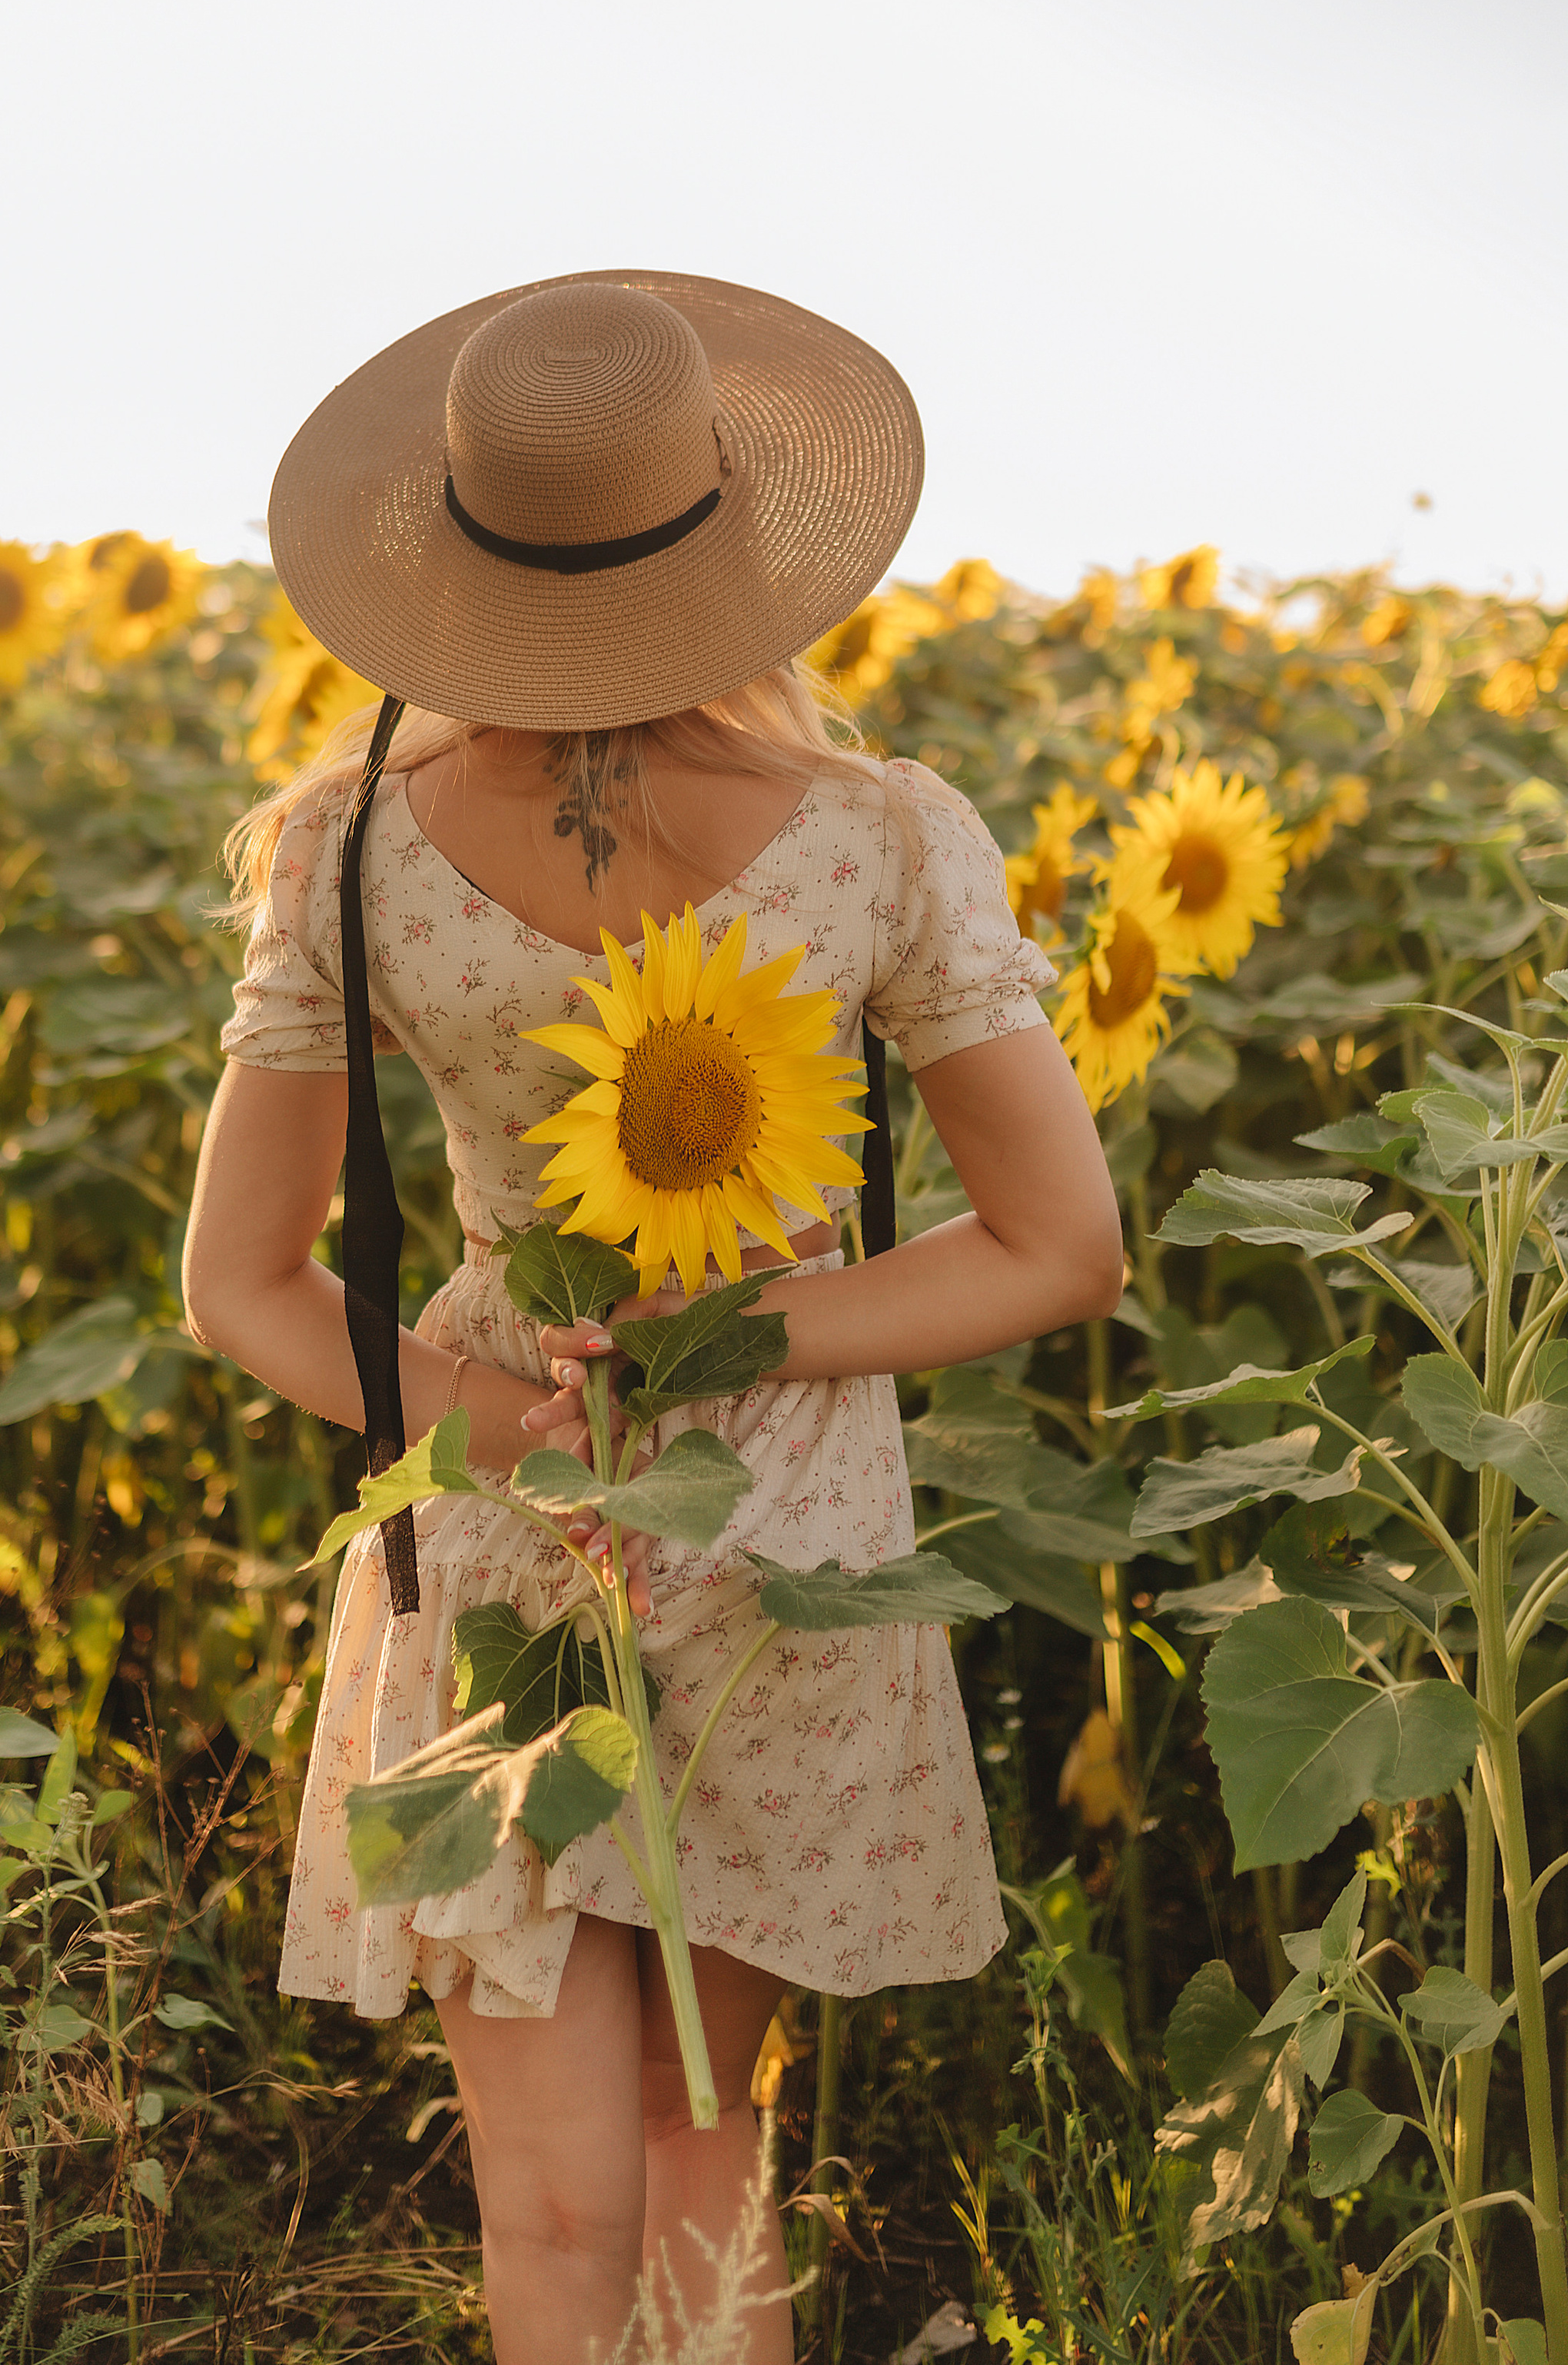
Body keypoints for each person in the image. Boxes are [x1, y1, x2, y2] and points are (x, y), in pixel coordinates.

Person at [181, 271, 1122, 2363]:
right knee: (712, 2171)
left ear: (450, 560)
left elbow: (241, 1282)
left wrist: (515, 1423)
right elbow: (1060, 1249)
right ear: (732, 542)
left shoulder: (349, 852)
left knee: (549, 2214)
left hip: (504, 1521)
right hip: (786, 1528)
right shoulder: (881, 840)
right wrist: (745, 1343)